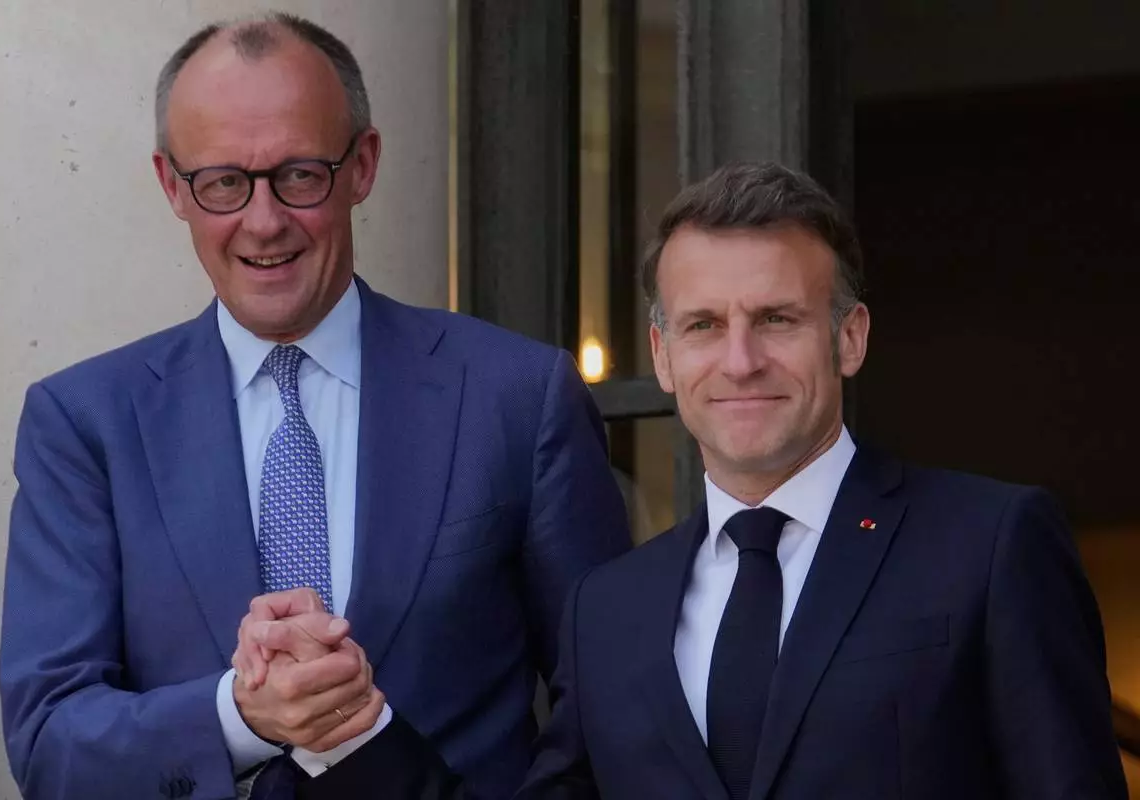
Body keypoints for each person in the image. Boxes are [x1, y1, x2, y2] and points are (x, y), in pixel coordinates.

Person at [281, 161, 1129, 799]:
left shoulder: (990, 545)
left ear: (851, 338)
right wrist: (354, 730)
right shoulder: (608, 610)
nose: (740, 360)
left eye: (777, 319)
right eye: (702, 325)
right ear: (663, 356)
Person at [0, 12, 630, 800]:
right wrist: (243, 715)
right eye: (224, 182)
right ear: (172, 187)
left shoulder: (517, 396)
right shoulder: (84, 422)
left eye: (299, 174)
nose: (264, 221)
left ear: (363, 165)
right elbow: (50, 741)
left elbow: (611, 712)